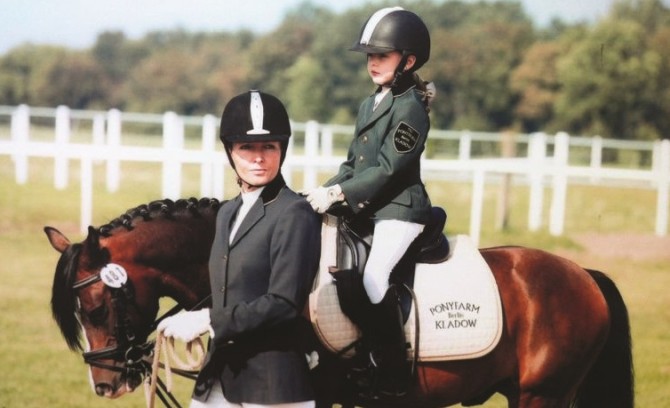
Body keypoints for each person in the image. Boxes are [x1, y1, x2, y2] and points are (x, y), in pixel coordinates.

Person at [159, 90, 322, 408]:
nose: (258, 157)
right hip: (220, 374)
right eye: (247, 147)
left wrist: (209, 320)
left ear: (282, 150)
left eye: (269, 147)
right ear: (230, 151)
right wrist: (189, 317)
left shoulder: (294, 212)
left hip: (272, 383)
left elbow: (284, 303)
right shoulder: (227, 212)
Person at [305, 6, 434, 397]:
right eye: (369, 56)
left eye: (382, 55)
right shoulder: (370, 104)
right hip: (370, 205)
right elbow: (352, 165)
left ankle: (393, 368)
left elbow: (389, 168)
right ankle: (356, 354)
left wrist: (340, 194)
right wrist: (321, 191)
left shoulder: (411, 108)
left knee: (374, 276)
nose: (373, 63)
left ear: (407, 61)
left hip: (400, 209)